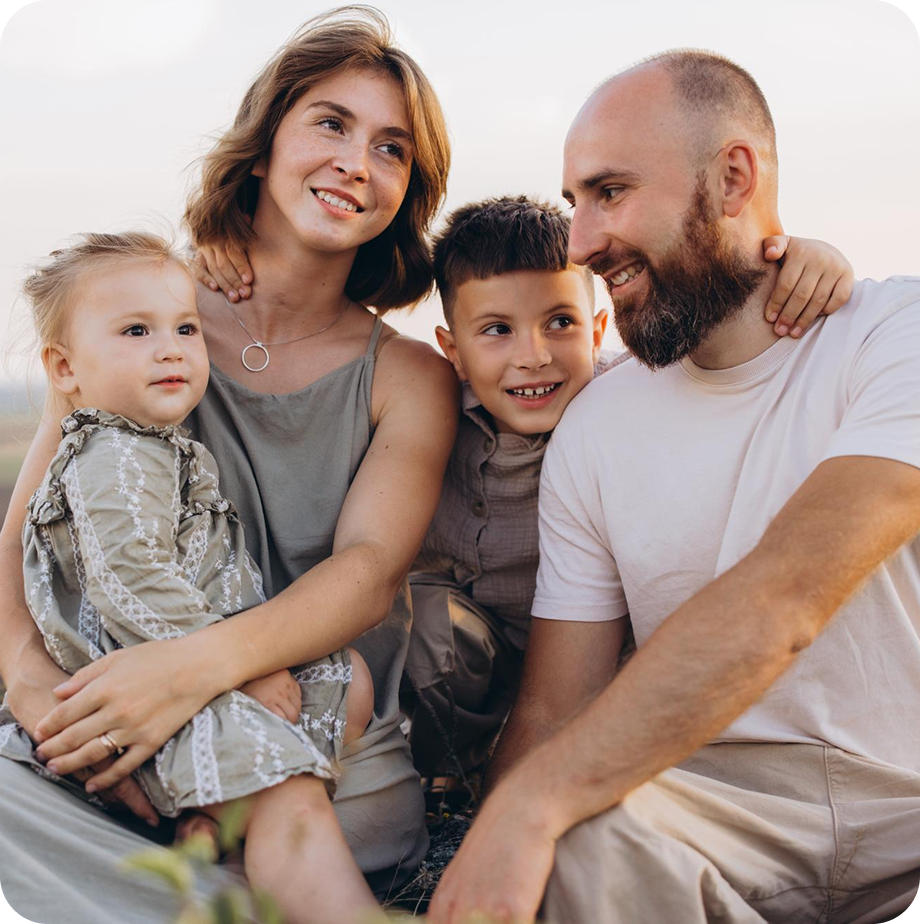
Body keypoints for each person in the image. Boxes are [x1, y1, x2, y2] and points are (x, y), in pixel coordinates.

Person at [430, 51, 920, 924]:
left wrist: (535, 799)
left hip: (908, 797)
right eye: (575, 201)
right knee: (575, 846)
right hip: (702, 804)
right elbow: (552, 706)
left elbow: (785, 598)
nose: (579, 241)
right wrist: (503, 828)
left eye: (609, 193)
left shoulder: (895, 337)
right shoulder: (598, 422)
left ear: (733, 177)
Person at [0, 9, 456, 923]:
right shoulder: (142, 323)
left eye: (392, 149)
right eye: (330, 123)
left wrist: (195, 671)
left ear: (407, 191)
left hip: (314, 726)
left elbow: (367, 574)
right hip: (113, 707)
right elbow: (22, 533)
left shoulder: (406, 375)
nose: (356, 163)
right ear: (263, 143)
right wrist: (36, 689)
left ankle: (213, 885)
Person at [400, 194, 854, 779]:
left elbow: (728, 326)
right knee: (427, 628)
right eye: (496, 331)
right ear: (453, 352)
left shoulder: (639, 388)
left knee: (651, 673)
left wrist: (813, 259)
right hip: (479, 639)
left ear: (597, 330)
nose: (532, 357)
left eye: (559, 323)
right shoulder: (432, 413)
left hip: (601, 650)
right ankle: (448, 773)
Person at [0, 231, 380, 922]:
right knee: (289, 797)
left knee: (345, 677)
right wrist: (235, 668)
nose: (170, 347)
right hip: (152, 678)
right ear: (64, 368)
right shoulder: (111, 455)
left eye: (185, 328)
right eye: (136, 331)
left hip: (191, 659)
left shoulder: (150, 446)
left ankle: (212, 821)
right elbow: (130, 583)